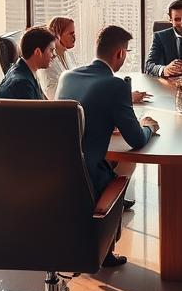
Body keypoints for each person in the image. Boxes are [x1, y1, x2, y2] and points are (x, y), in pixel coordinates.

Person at [57, 25, 160, 265]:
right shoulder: (114, 85)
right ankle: (105, 251)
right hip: (88, 177)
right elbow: (135, 139)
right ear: (120, 54)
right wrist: (149, 126)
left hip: (55, 172)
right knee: (124, 170)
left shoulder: (67, 76)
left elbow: (78, 115)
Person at [0, 26, 55, 100]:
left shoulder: (28, 71)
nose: (54, 55)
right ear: (37, 52)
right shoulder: (22, 84)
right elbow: (35, 111)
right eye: (51, 50)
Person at [39, 16, 78, 100]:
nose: (74, 37)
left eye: (74, 33)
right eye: (71, 34)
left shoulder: (68, 54)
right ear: (58, 34)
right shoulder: (48, 62)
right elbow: (53, 95)